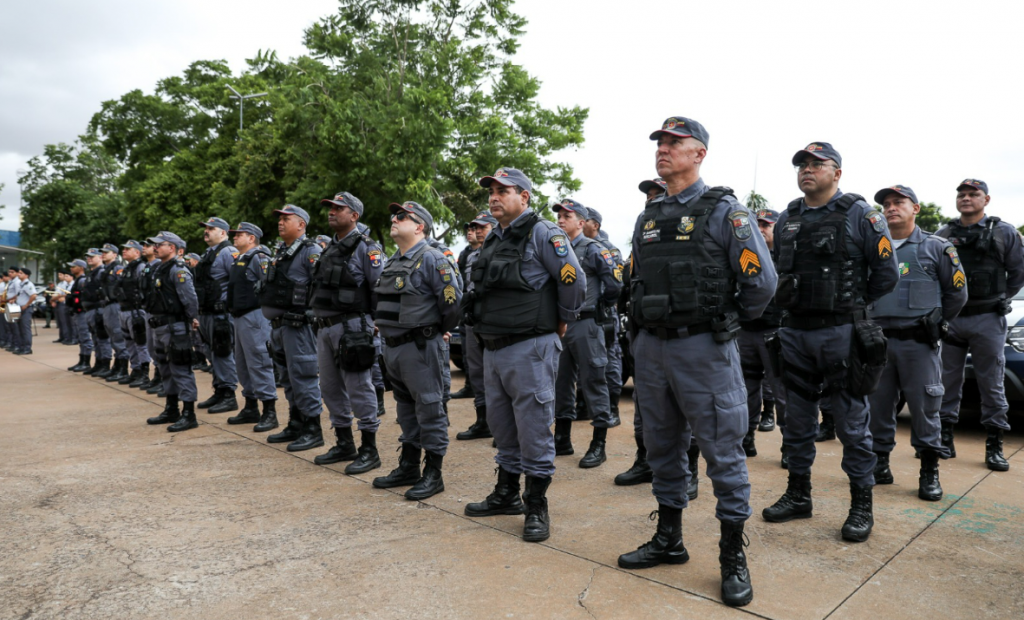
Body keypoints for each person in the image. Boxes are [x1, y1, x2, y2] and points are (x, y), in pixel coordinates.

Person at [620, 117, 775, 608]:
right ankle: (669, 539)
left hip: (704, 348)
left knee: (722, 451)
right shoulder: (648, 217)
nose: (663, 150)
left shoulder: (726, 212)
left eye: (674, 143)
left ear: (699, 153)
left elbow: (762, 285)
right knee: (662, 446)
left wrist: (723, 321)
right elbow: (637, 280)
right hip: (653, 349)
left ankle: (733, 555)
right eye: (660, 143)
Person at [763, 142, 899, 545]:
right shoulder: (788, 215)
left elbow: (886, 273)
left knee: (852, 424)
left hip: (842, 333)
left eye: (817, 163)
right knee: (798, 422)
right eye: (802, 164)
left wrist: (852, 306)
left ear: (836, 173)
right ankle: (798, 494)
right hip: (796, 332)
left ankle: (861, 505)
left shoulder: (861, 214)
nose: (808, 169)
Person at [461, 167, 585, 543]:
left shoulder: (543, 233)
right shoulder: (494, 240)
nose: (494, 196)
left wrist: (562, 321)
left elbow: (573, 281)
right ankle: (506, 492)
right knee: (502, 427)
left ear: (525, 197)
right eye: (491, 191)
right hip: (494, 350)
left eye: (504, 190)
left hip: (530, 346)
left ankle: (536, 505)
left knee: (533, 429)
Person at [867, 184, 967, 500]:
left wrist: (937, 320)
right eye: (886, 204)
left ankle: (928, 472)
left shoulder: (936, 248)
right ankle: (879, 465)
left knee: (925, 408)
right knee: (878, 407)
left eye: (899, 202)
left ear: (916, 208)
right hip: (879, 343)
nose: (891, 208)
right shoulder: (873, 248)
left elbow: (957, 293)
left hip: (918, 344)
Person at [371, 201, 462, 500]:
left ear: (419, 226)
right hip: (394, 350)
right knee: (406, 411)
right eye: (393, 214)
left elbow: (452, 304)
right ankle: (409, 465)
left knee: (430, 409)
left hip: (421, 347)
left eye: (401, 216)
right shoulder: (393, 261)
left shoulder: (433, 259)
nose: (393, 219)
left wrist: (435, 330)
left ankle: (433, 473)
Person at [935, 179, 1024, 470]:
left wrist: (1002, 298)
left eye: (973, 194)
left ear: (986, 199)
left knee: (992, 383)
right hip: (953, 319)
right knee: (946, 381)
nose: (966, 198)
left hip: (988, 318)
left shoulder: (1003, 232)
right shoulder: (944, 233)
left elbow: (1018, 273)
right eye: (961, 194)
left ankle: (994, 445)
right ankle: (944, 438)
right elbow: (935, 273)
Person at [309, 192, 384, 473]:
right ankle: (344, 443)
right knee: (329, 388)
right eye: (330, 207)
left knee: (358, 387)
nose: (332, 212)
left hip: (354, 326)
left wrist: (376, 322)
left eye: (339, 208)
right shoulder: (329, 247)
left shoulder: (366, 248)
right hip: (326, 328)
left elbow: (379, 286)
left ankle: (369, 448)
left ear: (354, 215)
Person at [552, 198, 622, 468]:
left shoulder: (593, 249)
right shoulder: (557, 249)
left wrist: (600, 305)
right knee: (561, 382)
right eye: (558, 216)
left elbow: (615, 281)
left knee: (593, 381)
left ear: (581, 223)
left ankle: (598, 443)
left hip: (586, 323)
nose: (560, 220)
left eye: (566, 216)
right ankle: (562, 439)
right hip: (562, 325)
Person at [260, 204, 325, 451]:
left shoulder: (310, 251)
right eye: (280, 218)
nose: (281, 222)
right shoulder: (281, 252)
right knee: (287, 378)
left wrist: (311, 315)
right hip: (278, 327)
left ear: (301, 224)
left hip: (298, 327)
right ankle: (296, 423)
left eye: (287, 218)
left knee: (304, 376)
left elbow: (320, 286)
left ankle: (313, 428)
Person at [736, 208, 788, 462]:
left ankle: (790, 445)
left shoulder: (788, 257)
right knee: (746, 389)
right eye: (757, 224)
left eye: (766, 225)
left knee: (783, 391)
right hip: (746, 332)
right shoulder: (746, 254)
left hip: (777, 332)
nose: (760, 229)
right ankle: (747, 437)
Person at [144, 232, 202, 432]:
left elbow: (190, 298)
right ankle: (171, 408)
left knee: (181, 368)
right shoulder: (159, 268)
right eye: (155, 245)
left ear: (174, 248)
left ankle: (189, 413)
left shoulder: (178, 270)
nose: (156, 247)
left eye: (161, 244)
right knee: (164, 368)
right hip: (159, 325)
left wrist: (193, 319)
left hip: (175, 326)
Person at [224, 222, 279, 432]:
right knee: (243, 364)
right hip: (240, 317)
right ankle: (250, 406)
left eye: (239, 235)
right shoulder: (241, 258)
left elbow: (269, 285)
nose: (235, 237)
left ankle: (269, 410)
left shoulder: (259, 257)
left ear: (252, 238)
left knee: (259, 361)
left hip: (255, 317)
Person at [455, 210, 498, 440]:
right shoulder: (471, 256)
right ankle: (483, 422)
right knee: (477, 372)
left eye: (483, 227)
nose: (478, 231)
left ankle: (501, 425)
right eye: (476, 227)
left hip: (494, 323)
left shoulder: (502, 251)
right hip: (474, 322)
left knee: (498, 374)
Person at [583, 207, 627, 428]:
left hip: (605, 317)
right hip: (584, 318)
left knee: (609, 361)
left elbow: (615, 285)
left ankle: (613, 408)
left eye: (585, 220)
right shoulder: (576, 246)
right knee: (585, 362)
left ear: (595, 225)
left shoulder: (608, 249)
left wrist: (604, 305)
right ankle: (583, 405)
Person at [194, 217, 240, 414]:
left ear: (223, 233)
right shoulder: (208, 253)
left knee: (223, 352)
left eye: (211, 228)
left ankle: (229, 394)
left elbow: (237, 281)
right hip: (207, 313)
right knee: (213, 354)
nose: (207, 231)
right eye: (205, 228)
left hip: (221, 313)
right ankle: (219, 390)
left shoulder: (228, 252)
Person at [451, 221, 482, 401]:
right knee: (467, 353)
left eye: (475, 229)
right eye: (469, 230)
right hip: (466, 309)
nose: (471, 233)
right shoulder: (465, 254)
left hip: (483, 313)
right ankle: (470, 386)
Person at [117, 240, 153, 386]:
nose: (124, 251)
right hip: (125, 310)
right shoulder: (127, 268)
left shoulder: (140, 267)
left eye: (128, 249)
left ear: (137, 252)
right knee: (129, 343)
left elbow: (145, 289)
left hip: (136, 311)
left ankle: (144, 374)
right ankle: (135, 370)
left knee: (140, 343)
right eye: (123, 249)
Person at [96, 243, 129, 380]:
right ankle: (117, 366)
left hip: (115, 305)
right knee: (112, 336)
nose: (103, 254)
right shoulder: (106, 269)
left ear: (115, 255)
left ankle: (123, 368)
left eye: (107, 252)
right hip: (107, 305)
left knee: (118, 335)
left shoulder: (118, 268)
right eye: (102, 252)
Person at [81, 250, 112, 376]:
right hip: (90, 309)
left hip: (98, 308)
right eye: (87, 257)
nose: (89, 259)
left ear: (100, 257)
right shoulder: (92, 273)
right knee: (95, 339)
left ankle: (105, 364)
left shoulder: (101, 272)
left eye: (92, 257)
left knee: (103, 338)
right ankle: (99, 363)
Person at [66, 260, 96, 372]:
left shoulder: (82, 280)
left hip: (82, 312)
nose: (71, 268)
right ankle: (82, 361)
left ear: (81, 268)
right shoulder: (77, 280)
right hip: (77, 312)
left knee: (85, 337)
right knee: (81, 337)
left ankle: (86, 362)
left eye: (74, 267)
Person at [9, 268, 38, 355]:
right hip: (19, 308)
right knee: (20, 329)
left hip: (26, 309)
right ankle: (22, 347)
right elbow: (19, 295)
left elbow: (33, 296)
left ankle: (27, 348)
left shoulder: (28, 284)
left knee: (25, 329)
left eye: (21, 273)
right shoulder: (21, 284)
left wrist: (26, 305)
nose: (19, 274)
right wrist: (14, 300)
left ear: (26, 275)